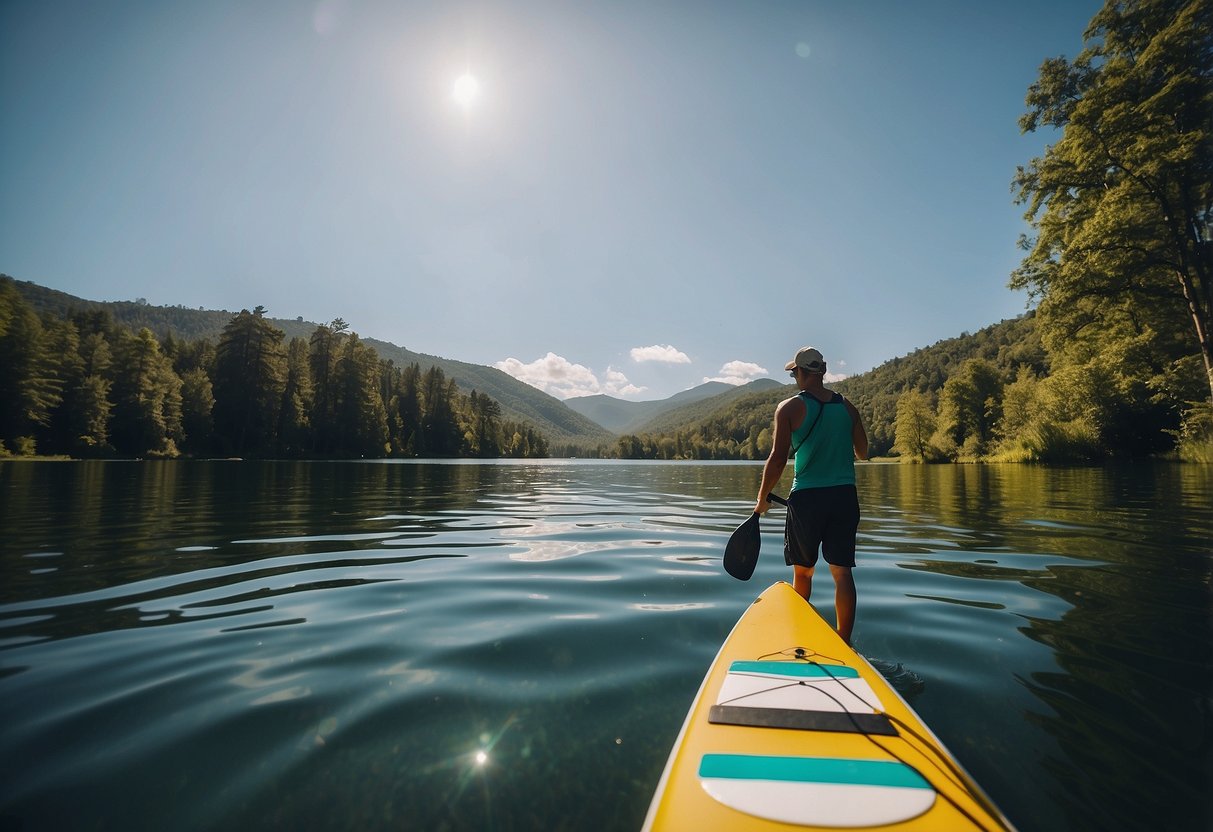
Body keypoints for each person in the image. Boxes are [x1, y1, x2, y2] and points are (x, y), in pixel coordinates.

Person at [754, 346, 869, 644]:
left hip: (807, 499)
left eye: (795, 372)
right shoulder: (847, 407)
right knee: (842, 573)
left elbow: (777, 459)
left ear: (803, 373)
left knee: (803, 573)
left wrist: (762, 498)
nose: (794, 377)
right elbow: (863, 452)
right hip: (845, 496)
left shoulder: (789, 408)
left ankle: (801, 636)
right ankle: (845, 641)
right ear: (824, 370)